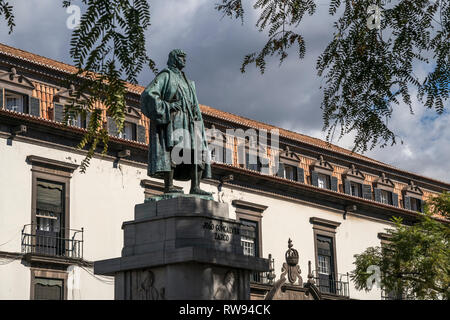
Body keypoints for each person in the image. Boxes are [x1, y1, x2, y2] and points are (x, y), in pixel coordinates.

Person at [140, 49, 212, 196]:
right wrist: (169, 106)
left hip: (191, 120)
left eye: (185, 57)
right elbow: (149, 94)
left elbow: (194, 103)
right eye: (180, 57)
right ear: (173, 58)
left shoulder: (188, 81)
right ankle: (169, 186)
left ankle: (195, 186)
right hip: (175, 119)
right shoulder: (166, 75)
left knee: (197, 152)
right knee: (173, 150)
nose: (184, 59)